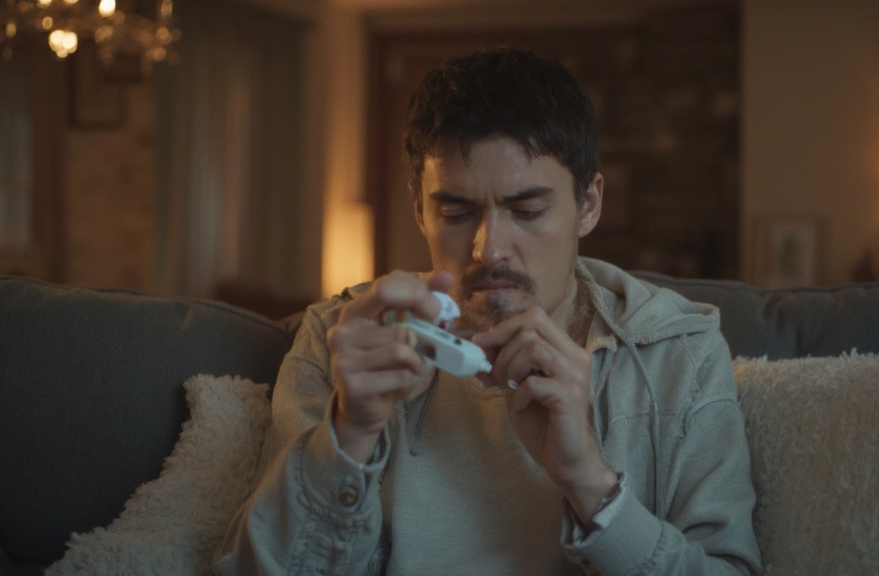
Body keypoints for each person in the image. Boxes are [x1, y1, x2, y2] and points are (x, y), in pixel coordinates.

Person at [215, 45, 762, 575]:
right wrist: (347, 437)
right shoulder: (342, 341)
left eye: (528, 210)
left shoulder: (678, 355)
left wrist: (590, 482)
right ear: (419, 209)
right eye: (456, 214)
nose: (489, 249)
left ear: (589, 204)